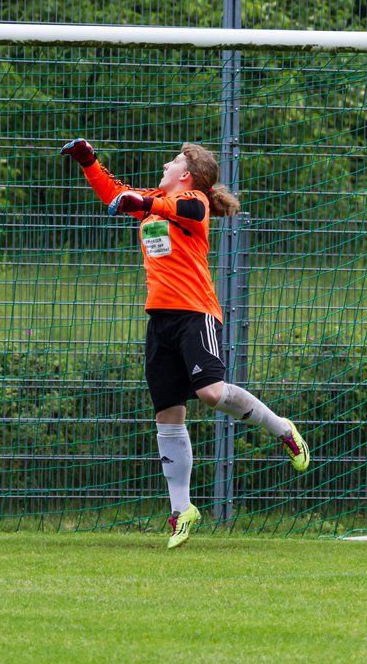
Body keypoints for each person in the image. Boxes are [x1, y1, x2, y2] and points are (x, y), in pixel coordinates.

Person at [61, 138, 308, 549]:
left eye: (173, 161)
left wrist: (140, 205)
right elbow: (114, 191)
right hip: (159, 319)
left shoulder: (195, 201)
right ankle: (182, 511)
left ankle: (283, 429)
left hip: (195, 313)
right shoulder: (157, 196)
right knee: (168, 416)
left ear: (188, 174)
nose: (165, 164)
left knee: (210, 393)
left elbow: (182, 209)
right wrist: (89, 161)